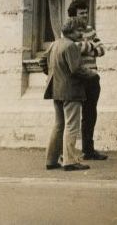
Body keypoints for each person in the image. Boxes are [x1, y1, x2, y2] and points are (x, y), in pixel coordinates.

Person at [44, 18, 97, 171]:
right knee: (72, 126)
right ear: (71, 32)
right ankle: (70, 161)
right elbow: (77, 69)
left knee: (58, 125)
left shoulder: (55, 44)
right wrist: (92, 74)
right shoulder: (71, 46)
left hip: (56, 89)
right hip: (72, 91)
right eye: (78, 31)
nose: (81, 34)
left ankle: (51, 160)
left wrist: (53, 75)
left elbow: (42, 62)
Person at [67, 0, 107, 161]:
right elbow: (71, 49)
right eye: (82, 14)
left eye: (86, 13)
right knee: (73, 116)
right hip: (77, 77)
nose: (85, 16)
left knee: (90, 114)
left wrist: (86, 48)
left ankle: (88, 150)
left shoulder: (90, 30)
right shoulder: (68, 30)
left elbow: (102, 50)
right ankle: (67, 151)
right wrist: (91, 47)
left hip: (92, 77)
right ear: (73, 16)